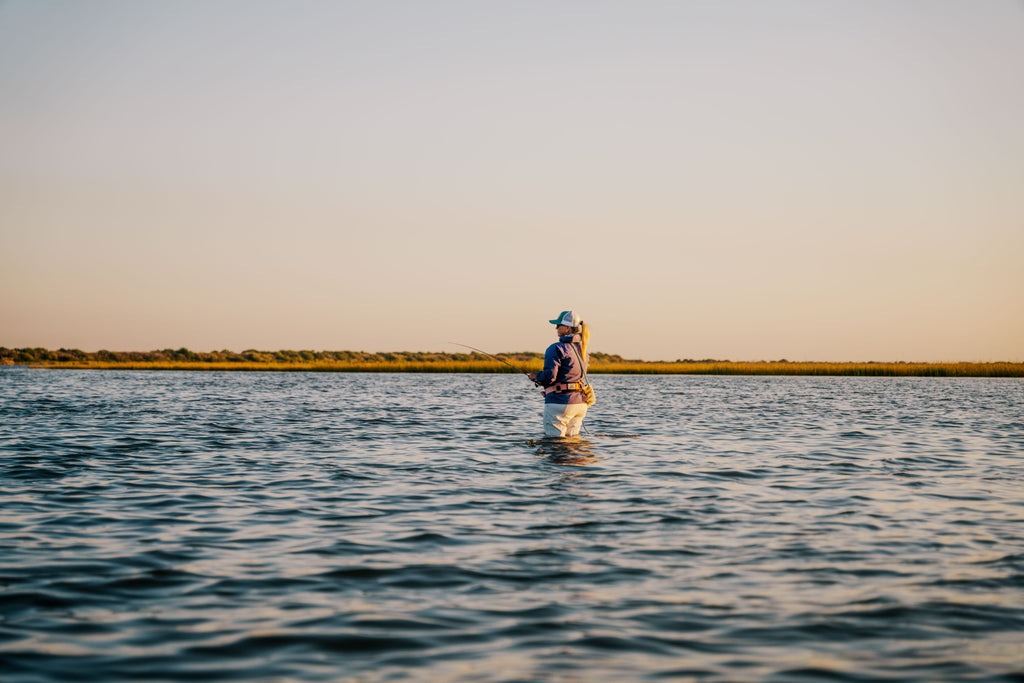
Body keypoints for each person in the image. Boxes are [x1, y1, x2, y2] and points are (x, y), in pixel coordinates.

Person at [528, 310, 591, 437]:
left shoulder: (556, 348)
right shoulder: (584, 350)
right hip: (580, 404)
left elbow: (550, 377)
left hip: (559, 404)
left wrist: (536, 377)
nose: (556, 328)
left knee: (555, 444)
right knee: (572, 447)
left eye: (559, 325)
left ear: (567, 328)